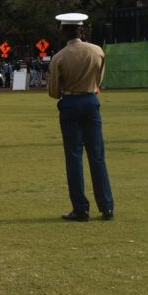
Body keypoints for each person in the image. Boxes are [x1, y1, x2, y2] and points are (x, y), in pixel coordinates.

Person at [46, 13, 113, 221]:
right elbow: (99, 79)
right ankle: (106, 206)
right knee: (97, 154)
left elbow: (54, 91)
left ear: (63, 31)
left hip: (71, 103)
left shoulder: (59, 57)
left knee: (74, 156)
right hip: (91, 101)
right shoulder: (97, 51)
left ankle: (81, 208)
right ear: (81, 31)